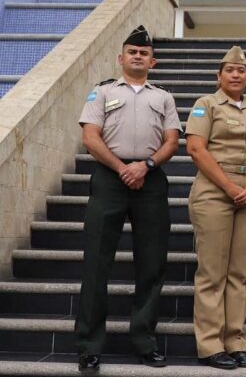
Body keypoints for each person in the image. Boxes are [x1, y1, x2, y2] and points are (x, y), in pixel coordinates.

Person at [75, 25, 181, 373]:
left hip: (150, 181)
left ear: (154, 60)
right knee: (96, 263)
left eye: (144, 53)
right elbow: (91, 137)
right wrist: (123, 168)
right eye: (132, 52)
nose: (138, 56)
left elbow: (171, 141)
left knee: (151, 264)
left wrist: (145, 166)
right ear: (121, 58)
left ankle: (144, 342)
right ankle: (90, 346)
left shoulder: (163, 96)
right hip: (109, 179)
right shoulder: (102, 92)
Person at [185, 46, 246, 370]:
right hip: (214, 191)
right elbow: (195, 148)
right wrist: (230, 186)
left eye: (241, 71)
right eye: (230, 70)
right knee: (212, 272)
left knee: (240, 272)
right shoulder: (205, 106)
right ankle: (210, 345)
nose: (236, 75)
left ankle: (235, 340)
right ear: (219, 75)